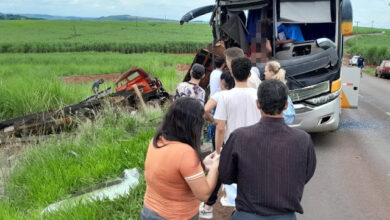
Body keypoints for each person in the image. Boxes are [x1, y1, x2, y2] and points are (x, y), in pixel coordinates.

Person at [219, 79, 317, 220]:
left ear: (258, 103)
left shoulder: (239, 136)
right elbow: (305, 174)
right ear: (286, 105)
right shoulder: (303, 139)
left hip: (246, 215)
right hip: (285, 216)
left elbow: (225, 175)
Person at [199, 52, 261, 219]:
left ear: (232, 74)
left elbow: (220, 128)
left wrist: (219, 151)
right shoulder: (258, 95)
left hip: (233, 145)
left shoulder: (225, 96)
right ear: (250, 74)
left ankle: (209, 206)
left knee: (224, 174)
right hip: (255, 145)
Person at [142, 97, 220, 220]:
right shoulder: (185, 153)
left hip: (149, 212)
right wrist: (215, 167)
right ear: (192, 125)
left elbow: (174, 172)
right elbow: (204, 195)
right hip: (176, 216)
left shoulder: (157, 141)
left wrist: (202, 166)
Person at [205, 71, 235, 149]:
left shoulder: (219, 95)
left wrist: (213, 121)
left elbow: (206, 110)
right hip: (235, 131)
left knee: (219, 156)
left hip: (220, 132)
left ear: (222, 82)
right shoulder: (238, 94)